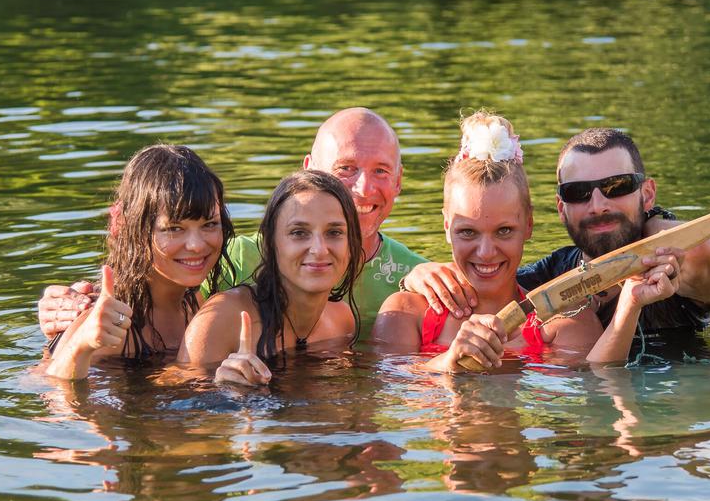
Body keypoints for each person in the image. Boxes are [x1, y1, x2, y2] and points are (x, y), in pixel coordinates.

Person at [37, 107, 427, 338]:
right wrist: (76, 307)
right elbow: (153, 286)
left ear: (399, 181)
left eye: (381, 171)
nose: (363, 188)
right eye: (345, 168)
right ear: (308, 171)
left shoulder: (418, 279)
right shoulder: (233, 258)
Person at [373, 112, 680, 372]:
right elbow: (382, 391)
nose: (486, 252)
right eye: (467, 232)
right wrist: (448, 362)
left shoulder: (566, 320)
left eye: (504, 231)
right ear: (446, 226)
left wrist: (629, 304)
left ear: (529, 225)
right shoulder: (405, 313)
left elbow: (599, 391)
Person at [403, 127, 710, 335]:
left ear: (647, 194)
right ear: (561, 208)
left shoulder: (676, 268)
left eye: (616, 187)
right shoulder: (547, 279)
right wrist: (415, 277)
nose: (598, 205)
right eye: (579, 192)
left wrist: (652, 225)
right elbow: (489, 283)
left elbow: (706, 247)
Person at [45, 144, 234, 380]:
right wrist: (81, 347)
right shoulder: (107, 321)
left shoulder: (202, 303)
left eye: (210, 224)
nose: (196, 245)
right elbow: (46, 389)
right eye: (174, 228)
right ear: (133, 228)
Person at [177, 170, 363, 386]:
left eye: (334, 232)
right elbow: (177, 396)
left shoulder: (342, 320)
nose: (319, 249)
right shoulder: (221, 319)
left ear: (351, 243)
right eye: (299, 233)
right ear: (270, 243)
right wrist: (220, 391)